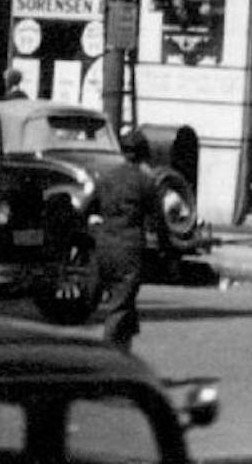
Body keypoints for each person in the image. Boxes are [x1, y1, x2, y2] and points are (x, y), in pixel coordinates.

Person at [91, 125, 156, 348]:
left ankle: (124, 353)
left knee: (123, 301)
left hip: (104, 245)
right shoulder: (145, 181)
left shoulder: (106, 178)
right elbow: (157, 218)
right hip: (128, 247)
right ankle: (109, 360)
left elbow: (90, 207)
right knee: (119, 306)